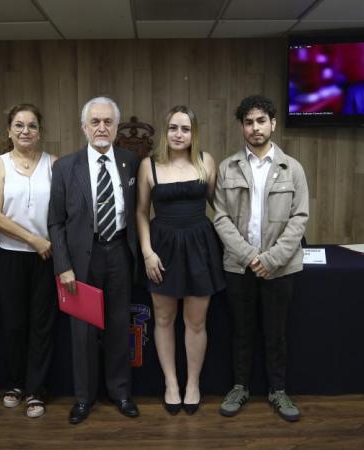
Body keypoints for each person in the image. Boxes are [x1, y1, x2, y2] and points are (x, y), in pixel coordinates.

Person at [214, 95, 309, 422]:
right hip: (239, 266)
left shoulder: (292, 167)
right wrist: (251, 256)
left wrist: (272, 259)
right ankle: (239, 387)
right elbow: (220, 218)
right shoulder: (228, 167)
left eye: (261, 121)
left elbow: (300, 218)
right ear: (242, 126)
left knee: (276, 332)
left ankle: (278, 390)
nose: (255, 128)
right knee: (240, 331)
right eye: (249, 122)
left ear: (273, 123)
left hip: (280, 269)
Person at [48, 96, 141, 424]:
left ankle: (120, 392)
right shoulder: (65, 167)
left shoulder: (132, 161)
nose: (102, 128)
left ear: (116, 127)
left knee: (118, 326)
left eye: (108, 122)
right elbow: (55, 222)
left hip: (118, 253)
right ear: (84, 127)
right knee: (83, 332)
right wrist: (63, 266)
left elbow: (139, 212)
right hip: (80, 260)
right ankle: (84, 398)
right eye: (95, 122)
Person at [136, 105, 225, 416]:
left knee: (196, 321)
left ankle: (193, 384)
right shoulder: (149, 165)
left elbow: (220, 206)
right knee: (162, 319)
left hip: (200, 246)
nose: (178, 134)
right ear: (166, 131)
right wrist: (147, 252)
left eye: (185, 129)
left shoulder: (206, 161)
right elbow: (141, 213)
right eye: (173, 128)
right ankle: (171, 383)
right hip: (162, 248)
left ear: (193, 133)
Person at [0, 104, 57, 418]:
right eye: (19, 125)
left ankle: (36, 391)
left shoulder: (55, 164)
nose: (25, 131)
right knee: (15, 324)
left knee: (42, 326)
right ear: (9, 131)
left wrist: (48, 243)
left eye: (31, 126)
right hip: (12, 255)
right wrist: (33, 239)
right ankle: (16, 384)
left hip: (48, 257)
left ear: (40, 131)